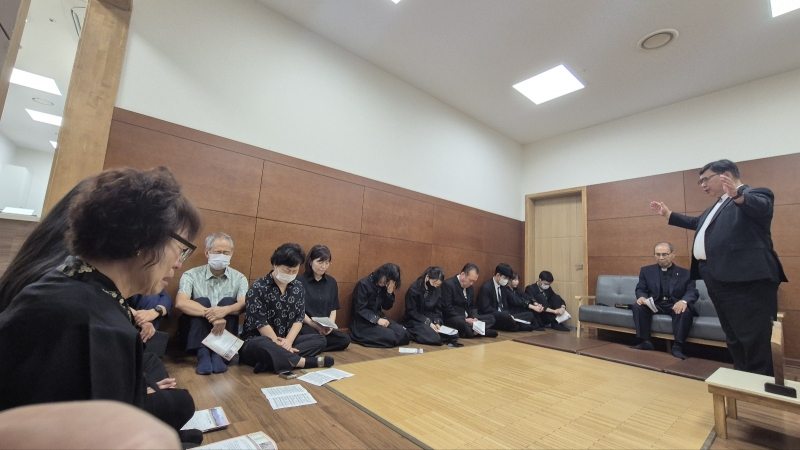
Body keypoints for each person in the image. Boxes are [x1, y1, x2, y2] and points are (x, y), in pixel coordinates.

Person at [0, 167, 202, 443]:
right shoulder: (98, 325)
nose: (178, 263)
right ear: (141, 239)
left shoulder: (64, 284)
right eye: (180, 248)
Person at [651, 159, 787, 375]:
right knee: (733, 335)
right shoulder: (716, 206)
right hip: (718, 278)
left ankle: (759, 382)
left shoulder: (754, 194)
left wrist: (737, 195)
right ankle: (743, 377)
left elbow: (761, 207)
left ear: (727, 175)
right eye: (700, 182)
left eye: (706, 179)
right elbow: (697, 224)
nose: (703, 185)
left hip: (747, 280)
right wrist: (669, 215)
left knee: (754, 336)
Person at [239, 243, 332, 374]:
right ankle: (302, 362)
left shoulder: (298, 287)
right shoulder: (258, 287)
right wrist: (277, 343)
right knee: (261, 344)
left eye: (295, 271)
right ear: (275, 265)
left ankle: (272, 361)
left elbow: (299, 318)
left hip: (286, 339)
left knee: (320, 340)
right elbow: (260, 323)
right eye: (287, 270)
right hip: (261, 339)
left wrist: (288, 341)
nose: (291, 274)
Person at [176, 232, 248, 375]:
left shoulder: (239, 278)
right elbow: (181, 303)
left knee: (229, 302)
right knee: (201, 301)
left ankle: (218, 355)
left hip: (225, 332)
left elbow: (242, 304)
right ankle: (202, 354)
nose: (222, 256)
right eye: (217, 252)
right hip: (195, 331)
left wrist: (225, 310)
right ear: (207, 253)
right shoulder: (191, 275)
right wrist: (213, 315)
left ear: (231, 254)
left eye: (226, 253)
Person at [630, 242, 699, 360]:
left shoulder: (686, 273)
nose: (661, 258)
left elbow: (692, 291)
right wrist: (641, 297)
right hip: (655, 304)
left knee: (684, 311)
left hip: (674, 304)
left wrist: (683, 301)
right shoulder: (646, 271)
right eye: (658, 254)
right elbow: (640, 288)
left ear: (673, 254)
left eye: (664, 254)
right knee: (637, 306)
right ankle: (646, 342)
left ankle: (677, 347)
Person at [297, 245, 350, 352]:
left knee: (345, 339)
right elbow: (298, 310)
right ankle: (316, 344)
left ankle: (315, 346)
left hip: (324, 326)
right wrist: (315, 326)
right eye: (320, 262)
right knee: (316, 337)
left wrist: (330, 326)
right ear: (310, 262)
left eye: (327, 263)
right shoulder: (299, 281)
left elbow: (333, 307)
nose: (323, 266)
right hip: (306, 325)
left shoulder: (332, 282)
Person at [349, 263, 411, 347]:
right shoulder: (363, 284)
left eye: (391, 282)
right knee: (391, 336)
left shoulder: (384, 287)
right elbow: (360, 309)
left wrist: (389, 293)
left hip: (379, 316)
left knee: (404, 333)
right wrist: (377, 320)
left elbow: (387, 307)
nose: (387, 283)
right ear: (382, 274)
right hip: (363, 322)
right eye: (387, 280)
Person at [402, 266, 460, 346]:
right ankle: (411, 332)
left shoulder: (437, 290)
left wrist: (437, 322)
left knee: (454, 335)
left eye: (437, 285)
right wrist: (428, 322)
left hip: (431, 318)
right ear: (427, 277)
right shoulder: (414, 289)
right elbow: (412, 311)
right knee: (435, 338)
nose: (435, 286)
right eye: (433, 283)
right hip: (415, 320)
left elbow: (437, 309)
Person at [441, 263, 498, 338]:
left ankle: (472, 331)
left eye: (473, 281)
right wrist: (465, 319)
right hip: (455, 317)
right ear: (463, 274)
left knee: (491, 318)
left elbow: (472, 306)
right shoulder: (448, 284)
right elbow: (447, 308)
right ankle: (478, 331)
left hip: (469, 318)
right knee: (462, 323)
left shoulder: (470, 288)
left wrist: (475, 318)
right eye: (470, 280)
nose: (471, 283)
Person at [477, 263, 535, 332]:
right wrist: (503, 314)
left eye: (508, 279)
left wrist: (508, 314)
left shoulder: (503, 287)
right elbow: (486, 308)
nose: (506, 281)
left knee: (529, 314)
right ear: (498, 275)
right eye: (505, 278)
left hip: (505, 315)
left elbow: (505, 305)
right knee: (506, 317)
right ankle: (518, 326)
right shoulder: (486, 287)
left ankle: (515, 324)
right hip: (494, 315)